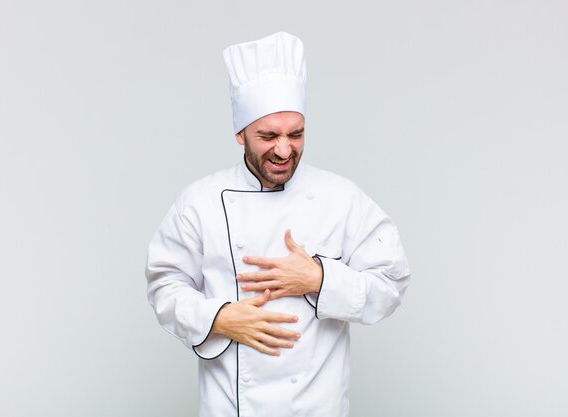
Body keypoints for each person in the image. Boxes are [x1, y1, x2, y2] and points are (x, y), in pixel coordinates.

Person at [145, 31, 411, 417]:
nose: (284, 149)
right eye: (268, 135)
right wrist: (217, 318)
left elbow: (392, 281)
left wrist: (320, 279)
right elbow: (164, 285)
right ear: (240, 134)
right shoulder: (199, 202)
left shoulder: (341, 198)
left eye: (296, 134)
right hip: (229, 407)